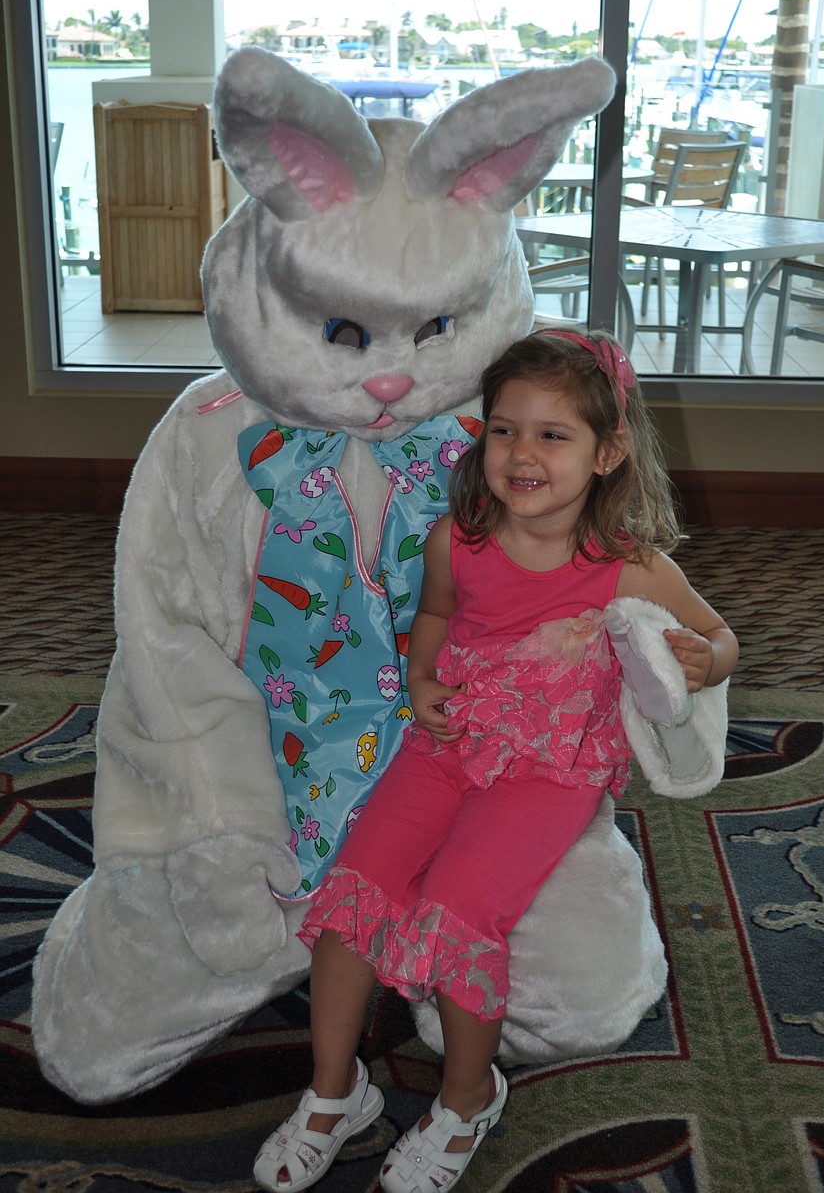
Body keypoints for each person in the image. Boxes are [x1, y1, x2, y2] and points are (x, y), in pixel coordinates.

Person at [252, 327, 739, 1193]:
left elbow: (719, 633)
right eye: (504, 428)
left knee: (459, 906)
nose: (521, 452)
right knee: (353, 889)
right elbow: (433, 620)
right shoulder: (458, 538)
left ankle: (468, 1095)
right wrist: (420, 673)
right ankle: (336, 1091)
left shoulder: (627, 565)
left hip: (551, 771)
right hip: (449, 745)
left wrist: (708, 660)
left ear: (607, 452)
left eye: (553, 435)